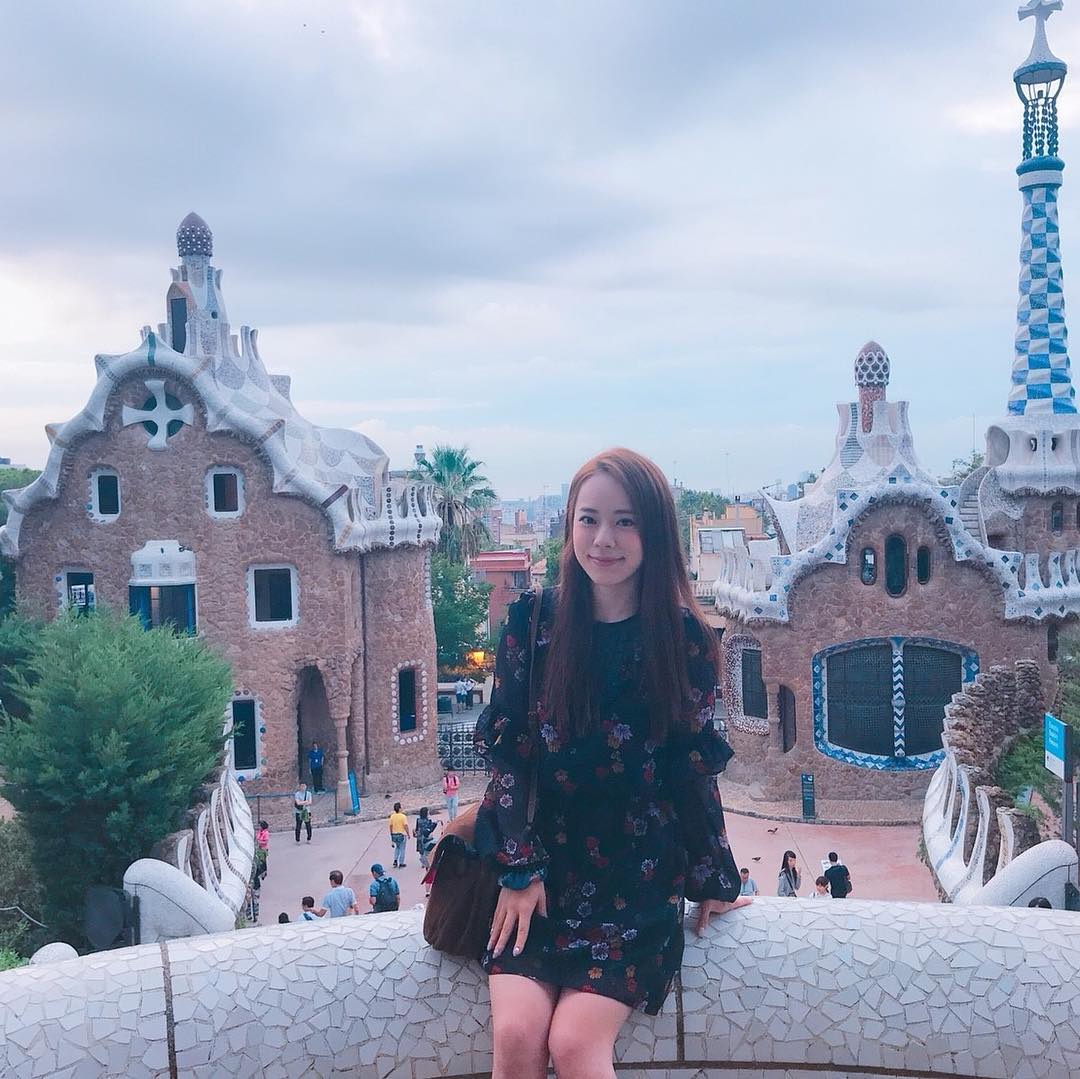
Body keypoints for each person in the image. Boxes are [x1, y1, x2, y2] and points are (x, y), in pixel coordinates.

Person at [474, 448, 749, 1079]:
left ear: (655, 534)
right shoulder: (532, 623)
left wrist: (714, 878)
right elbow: (511, 757)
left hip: (636, 878)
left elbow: (688, 768)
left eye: (626, 522)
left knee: (575, 1043)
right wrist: (519, 869)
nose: (604, 540)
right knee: (516, 1033)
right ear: (569, 525)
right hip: (542, 870)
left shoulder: (683, 639)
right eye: (589, 519)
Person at [415, 806, 439, 875]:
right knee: (427, 849)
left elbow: (417, 828)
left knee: (421, 849)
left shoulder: (418, 820)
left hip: (420, 837)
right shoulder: (428, 821)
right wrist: (435, 823)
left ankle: (423, 862)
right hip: (426, 838)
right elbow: (431, 829)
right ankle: (426, 862)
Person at [389, 801, 411, 867]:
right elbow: (405, 825)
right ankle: (401, 863)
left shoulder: (392, 816)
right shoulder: (403, 816)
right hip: (402, 835)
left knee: (397, 847)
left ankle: (395, 860)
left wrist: (391, 834)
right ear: (400, 808)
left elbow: (390, 826)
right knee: (402, 849)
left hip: (394, 835)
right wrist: (408, 834)